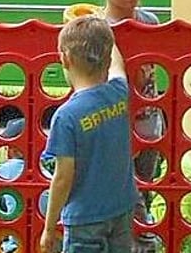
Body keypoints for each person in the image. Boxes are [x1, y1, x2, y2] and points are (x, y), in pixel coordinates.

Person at [40, 16, 136, 253]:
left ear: (65, 59)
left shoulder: (66, 116)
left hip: (85, 219)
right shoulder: (119, 93)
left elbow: (63, 178)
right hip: (122, 209)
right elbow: (118, 66)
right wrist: (103, 28)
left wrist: (49, 227)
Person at [91, 0, 163, 252]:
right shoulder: (96, 28)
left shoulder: (150, 22)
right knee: (125, 197)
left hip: (149, 125)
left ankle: (136, 241)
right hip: (116, 129)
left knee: (143, 192)